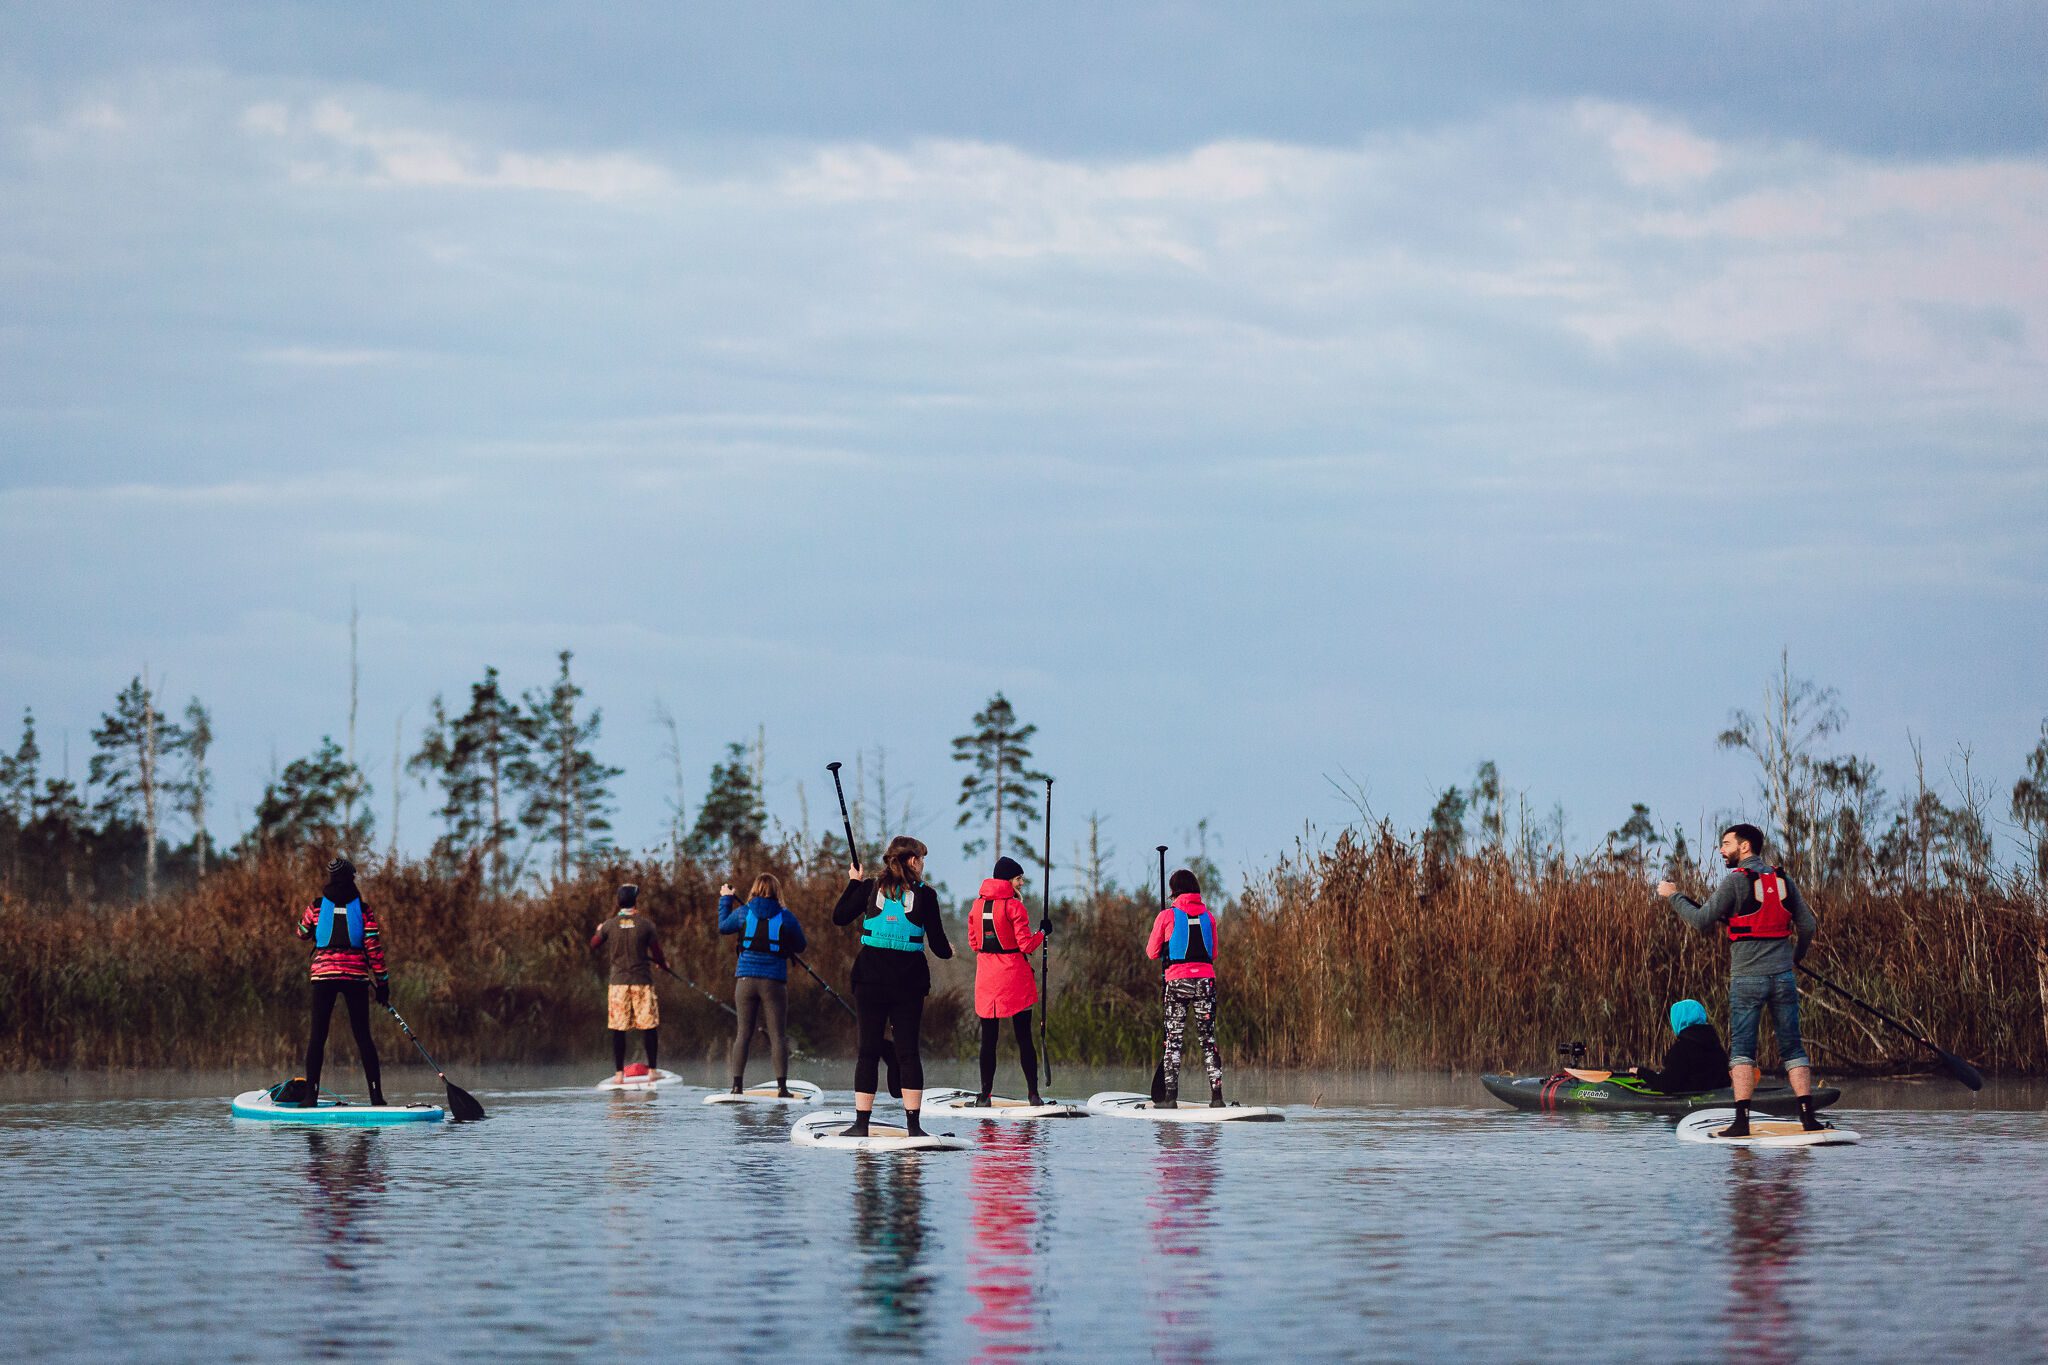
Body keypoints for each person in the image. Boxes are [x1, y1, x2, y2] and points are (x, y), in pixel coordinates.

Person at [1657, 823, 1823, 1134]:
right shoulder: (1784, 879)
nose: (1722, 850)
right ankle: (1807, 1116)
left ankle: (1741, 1122)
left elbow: (1701, 921)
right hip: (1783, 978)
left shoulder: (1735, 881)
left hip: (1748, 979)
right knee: (1793, 1048)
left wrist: (1674, 895)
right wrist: (1795, 958)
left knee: (1743, 1049)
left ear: (1744, 846)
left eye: (1726, 844)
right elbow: (1808, 926)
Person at [831, 835, 953, 1136]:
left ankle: (861, 1124)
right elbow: (938, 946)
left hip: (869, 980)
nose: (923, 865)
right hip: (908, 982)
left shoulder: (869, 888)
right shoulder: (926, 895)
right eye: (922, 859)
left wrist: (853, 883)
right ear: (912, 861)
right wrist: (950, 950)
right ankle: (914, 1128)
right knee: (908, 1052)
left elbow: (839, 916)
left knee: (868, 1051)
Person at [293, 856, 387, 1107]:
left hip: (323, 977)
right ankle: (376, 1097)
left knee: (318, 1036)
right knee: (363, 1036)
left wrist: (315, 927)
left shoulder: (316, 906)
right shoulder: (363, 910)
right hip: (356, 977)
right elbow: (373, 948)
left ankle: (310, 1097)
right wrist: (383, 984)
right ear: (352, 878)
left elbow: (301, 932)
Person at [967, 855, 1049, 1106]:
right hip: (1014, 978)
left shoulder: (976, 906)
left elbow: (974, 943)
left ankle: (984, 1096)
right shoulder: (1014, 907)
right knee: (1024, 1037)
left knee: (988, 1040)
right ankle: (1033, 1095)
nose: (1021, 883)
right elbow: (1026, 945)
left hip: (986, 979)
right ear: (1007, 880)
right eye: (1018, 878)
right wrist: (1043, 932)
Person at [717, 872, 808, 1096]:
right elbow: (801, 945)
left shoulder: (743, 912)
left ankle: (736, 1087)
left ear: (755, 890)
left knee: (743, 1034)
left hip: (745, 980)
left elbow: (723, 926)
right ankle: (782, 1088)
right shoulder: (785, 916)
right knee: (778, 1036)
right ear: (777, 892)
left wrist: (725, 899)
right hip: (773, 982)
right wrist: (785, 941)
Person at [1146, 868, 1225, 1109]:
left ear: (1174, 891)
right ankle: (1217, 1098)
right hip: (1205, 982)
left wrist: (1167, 944)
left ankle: (1170, 1099)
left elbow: (1151, 952)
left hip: (1177, 982)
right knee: (1208, 1040)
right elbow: (1213, 953)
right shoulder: (1209, 917)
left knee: (1174, 1041)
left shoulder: (1166, 916)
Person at [591, 884, 668, 1085]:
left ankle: (619, 1075)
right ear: (635, 901)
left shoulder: (609, 925)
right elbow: (657, 953)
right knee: (649, 1026)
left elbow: (594, 944)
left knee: (618, 1029)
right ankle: (652, 1071)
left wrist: (599, 930)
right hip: (642, 982)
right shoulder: (646, 925)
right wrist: (663, 964)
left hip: (618, 984)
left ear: (619, 902)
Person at [1629, 999, 1732, 1094]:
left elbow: (1667, 1085)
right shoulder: (1716, 1047)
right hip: (1716, 1101)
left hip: (1690, 1104)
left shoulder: (1681, 1050)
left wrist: (1641, 1072)